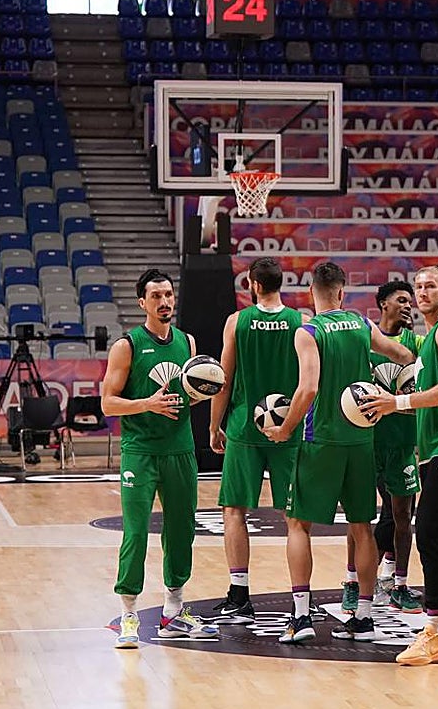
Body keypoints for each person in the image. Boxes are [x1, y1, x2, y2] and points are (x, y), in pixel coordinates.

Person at [263, 262, 415, 644]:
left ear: (310, 293)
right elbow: (403, 355)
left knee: (298, 524)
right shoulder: (362, 326)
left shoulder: (309, 331)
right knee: (361, 527)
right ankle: (363, 618)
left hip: (321, 440)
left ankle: (300, 617)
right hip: (362, 441)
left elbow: (309, 389)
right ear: (343, 293)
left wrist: (283, 430)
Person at [360, 266, 438, 666]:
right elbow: (395, 351)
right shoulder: (431, 335)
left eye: (430, 285)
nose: (422, 292)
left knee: (429, 529)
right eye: (417, 287)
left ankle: (433, 629)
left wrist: (395, 403)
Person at [103, 268, 218, 648]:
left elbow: (190, 391)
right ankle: (129, 614)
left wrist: (200, 393)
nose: (165, 302)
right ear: (142, 303)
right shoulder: (127, 345)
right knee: (136, 532)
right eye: (156, 297)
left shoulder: (187, 340)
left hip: (180, 450)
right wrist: (147, 404)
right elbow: (108, 402)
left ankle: (174, 608)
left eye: (168, 295)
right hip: (141, 452)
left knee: (182, 530)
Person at [208, 257, 303, 623]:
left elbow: (223, 379)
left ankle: (239, 593)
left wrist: (215, 425)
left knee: (234, 511)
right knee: (294, 517)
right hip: (288, 427)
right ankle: (300, 601)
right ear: (281, 284)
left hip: (245, 427)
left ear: (253, 284)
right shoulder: (301, 322)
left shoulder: (237, 322)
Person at [345, 281, 422, 614]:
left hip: (403, 441)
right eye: (401, 300)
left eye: (411, 301)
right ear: (383, 304)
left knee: (403, 516)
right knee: (360, 517)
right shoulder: (365, 341)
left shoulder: (417, 342)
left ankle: (400, 585)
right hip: (368, 441)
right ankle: (352, 583)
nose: (408, 306)